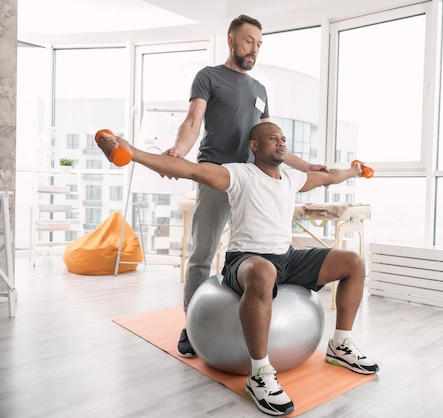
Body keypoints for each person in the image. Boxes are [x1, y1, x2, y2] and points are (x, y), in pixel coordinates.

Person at [97, 122, 379, 416]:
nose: (281, 143)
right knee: (263, 272)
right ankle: (259, 374)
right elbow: (192, 170)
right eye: (273, 139)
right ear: (254, 146)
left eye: (283, 139)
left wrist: (355, 171)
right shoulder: (240, 173)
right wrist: (132, 152)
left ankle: (340, 346)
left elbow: (327, 178)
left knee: (352, 263)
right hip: (246, 259)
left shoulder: (292, 178)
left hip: (287, 257)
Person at [162, 14, 327, 358]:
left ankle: (247, 316)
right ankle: (192, 325)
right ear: (231, 40)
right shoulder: (209, 77)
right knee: (202, 254)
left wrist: (305, 165)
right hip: (218, 176)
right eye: (249, 41)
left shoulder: (259, 90)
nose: (255, 49)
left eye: (259, 44)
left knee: (255, 254)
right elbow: (193, 121)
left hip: (253, 182)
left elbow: (270, 139)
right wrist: (179, 151)